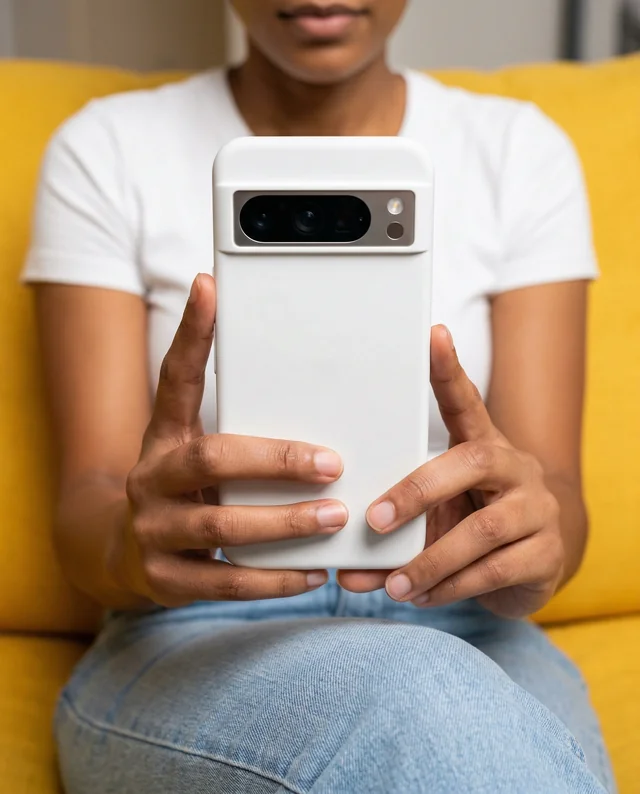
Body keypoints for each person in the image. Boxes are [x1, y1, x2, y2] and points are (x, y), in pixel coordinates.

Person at [23, 1, 616, 792]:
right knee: (429, 703)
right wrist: (139, 540)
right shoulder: (105, 148)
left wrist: (531, 540)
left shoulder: (520, 150)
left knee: (448, 702)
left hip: (467, 622)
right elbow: (85, 509)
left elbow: (557, 494)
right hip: (195, 629)